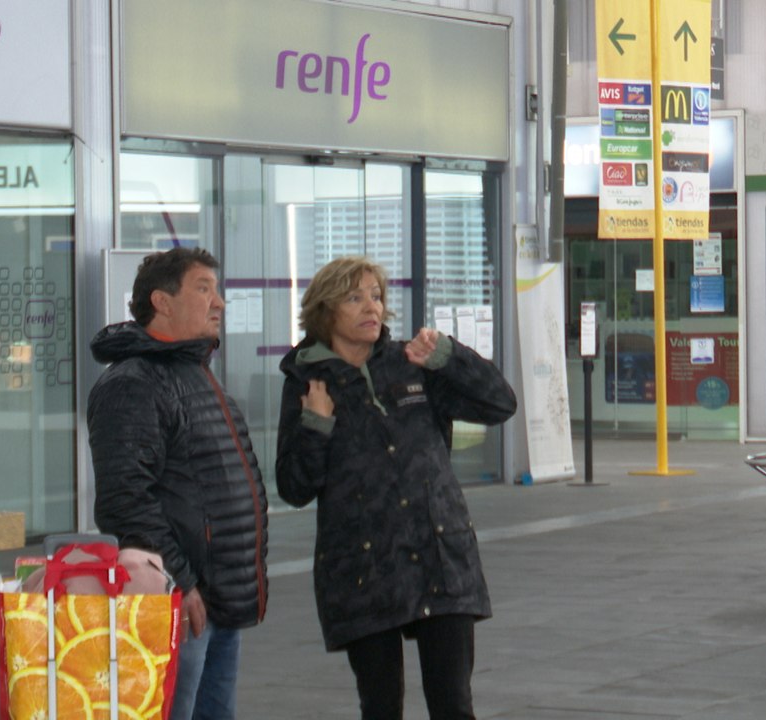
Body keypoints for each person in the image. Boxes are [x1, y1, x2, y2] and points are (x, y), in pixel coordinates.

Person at [275, 256, 516, 720]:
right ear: (326, 311)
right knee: (381, 707)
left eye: (376, 295)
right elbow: (294, 486)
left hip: (439, 556)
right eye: (354, 297)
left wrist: (450, 357)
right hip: (363, 567)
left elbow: (500, 403)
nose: (372, 306)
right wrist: (315, 424)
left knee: (453, 705)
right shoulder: (308, 381)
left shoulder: (412, 363)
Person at [88, 247, 268, 720]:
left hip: (218, 601)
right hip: (178, 603)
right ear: (162, 302)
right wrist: (179, 583)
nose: (219, 302)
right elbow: (126, 501)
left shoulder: (197, 374)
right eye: (203, 288)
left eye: (217, 289)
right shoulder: (133, 383)